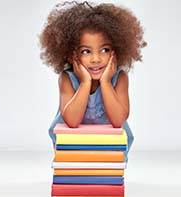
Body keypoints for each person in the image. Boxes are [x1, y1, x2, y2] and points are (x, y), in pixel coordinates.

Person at [39, 1, 146, 159]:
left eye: (105, 50)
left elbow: (118, 121)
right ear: (72, 54)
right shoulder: (67, 79)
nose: (96, 59)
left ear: (116, 52)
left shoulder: (120, 78)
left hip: (110, 149)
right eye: (86, 51)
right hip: (72, 147)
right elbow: (72, 122)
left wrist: (105, 82)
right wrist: (85, 83)